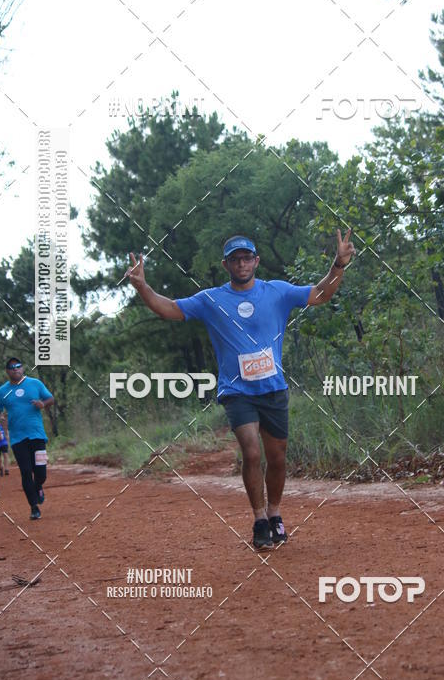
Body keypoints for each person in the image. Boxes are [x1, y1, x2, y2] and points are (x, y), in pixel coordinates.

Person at [126, 230, 355, 549]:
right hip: (237, 392)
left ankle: (275, 514)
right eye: (235, 259)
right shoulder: (211, 300)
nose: (242, 263)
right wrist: (143, 287)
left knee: (277, 458)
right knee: (251, 451)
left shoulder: (277, 292)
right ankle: (259, 520)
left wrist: (338, 265)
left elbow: (320, 294)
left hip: (273, 389)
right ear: (226, 265)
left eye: (247, 257)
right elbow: (169, 309)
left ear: (256, 261)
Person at [0, 358, 55, 520]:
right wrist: (1, 418)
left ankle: (38, 487)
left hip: (37, 434)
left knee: (41, 473)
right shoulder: (1, 392)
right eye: (11, 367)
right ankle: (34, 507)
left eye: (18, 366)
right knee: (26, 472)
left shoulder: (35, 383)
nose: (15, 369)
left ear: (22, 368)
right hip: (17, 438)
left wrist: (43, 404)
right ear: (7, 371)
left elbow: (50, 399)